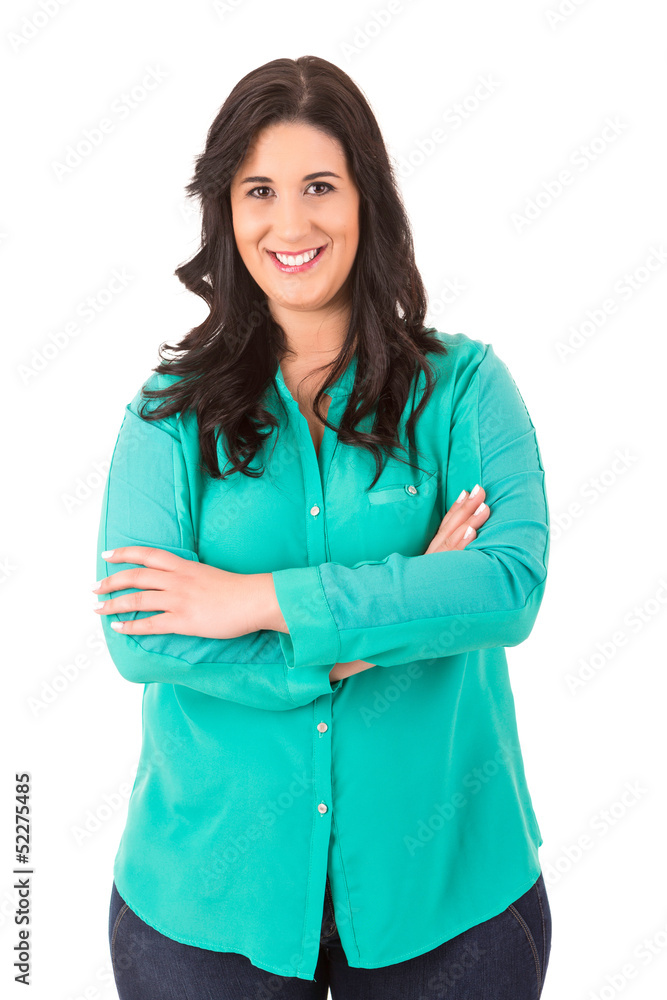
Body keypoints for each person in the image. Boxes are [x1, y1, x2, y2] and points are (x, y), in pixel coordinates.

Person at [95, 55, 552, 999]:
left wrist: (254, 601)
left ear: (366, 198)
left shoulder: (465, 389)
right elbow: (139, 635)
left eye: (319, 186)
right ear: (226, 212)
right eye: (259, 191)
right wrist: (360, 641)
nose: (291, 224)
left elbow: (505, 585)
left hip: (449, 898)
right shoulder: (166, 415)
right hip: (205, 910)